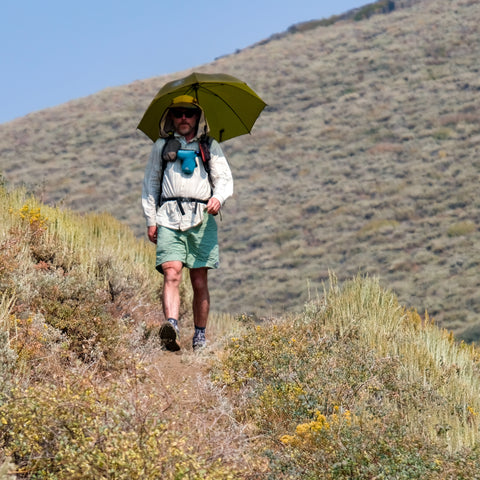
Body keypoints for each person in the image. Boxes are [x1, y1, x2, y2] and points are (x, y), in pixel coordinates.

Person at [142, 95, 233, 351]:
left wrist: (218, 198)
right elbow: (150, 183)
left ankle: (200, 336)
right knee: (171, 272)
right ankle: (171, 326)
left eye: (189, 113)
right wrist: (151, 219)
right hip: (168, 216)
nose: (184, 118)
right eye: (179, 113)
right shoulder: (161, 146)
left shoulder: (209, 146)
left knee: (199, 279)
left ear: (197, 117)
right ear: (170, 116)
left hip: (201, 218)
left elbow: (224, 179)